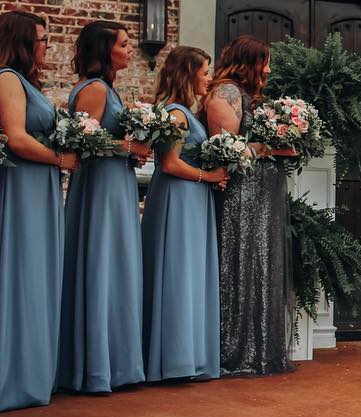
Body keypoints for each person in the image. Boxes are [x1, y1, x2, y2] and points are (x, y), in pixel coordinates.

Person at [58, 20, 152, 393]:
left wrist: (132, 150)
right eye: (124, 44)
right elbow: (81, 144)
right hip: (99, 188)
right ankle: (95, 367)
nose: (130, 50)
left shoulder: (108, 88)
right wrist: (128, 147)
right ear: (104, 50)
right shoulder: (95, 89)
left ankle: (116, 362)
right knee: (102, 263)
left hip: (116, 183)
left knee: (117, 267)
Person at [204, 35, 297, 375]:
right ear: (248, 63)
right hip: (241, 193)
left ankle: (259, 347)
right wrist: (271, 148)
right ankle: (234, 348)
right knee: (241, 259)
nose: (268, 70)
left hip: (261, 193)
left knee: (260, 261)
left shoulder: (247, 96)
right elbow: (227, 148)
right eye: (264, 62)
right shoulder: (226, 93)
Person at [0, 10, 75, 412]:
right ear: (23, 43)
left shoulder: (26, 83)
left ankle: (33, 369)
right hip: (22, 185)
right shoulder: (8, 80)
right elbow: (16, 138)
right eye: (42, 39)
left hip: (38, 184)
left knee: (38, 271)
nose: (47, 46)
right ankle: (15, 375)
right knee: (22, 271)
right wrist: (60, 159)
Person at [142, 46, 227, 382]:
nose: (209, 78)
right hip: (178, 199)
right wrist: (209, 176)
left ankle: (188, 355)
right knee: (177, 272)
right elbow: (169, 164)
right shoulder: (176, 115)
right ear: (188, 74)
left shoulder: (186, 113)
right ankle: (174, 360)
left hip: (192, 198)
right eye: (204, 72)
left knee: (189, 274)